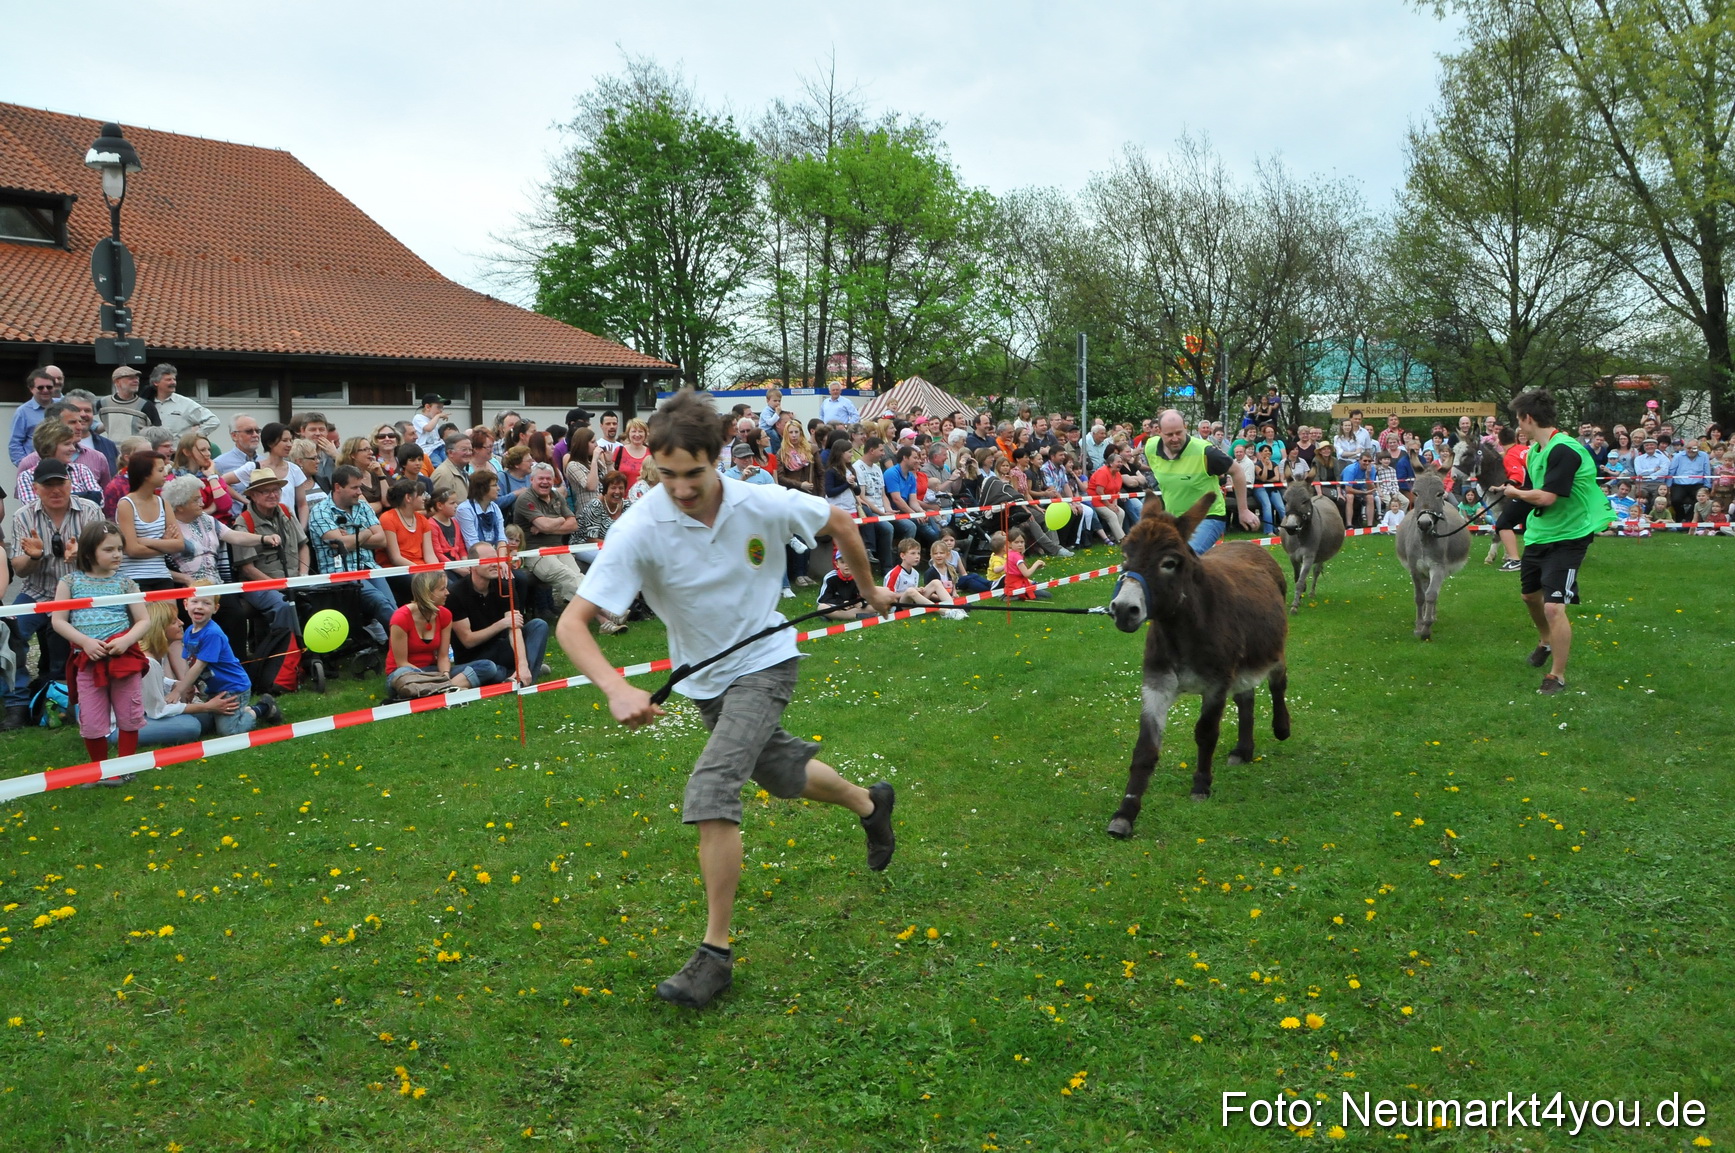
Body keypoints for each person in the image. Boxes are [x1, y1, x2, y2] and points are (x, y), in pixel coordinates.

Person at [553, 389, 897, 1010]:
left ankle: (714, 955)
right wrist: (616, 687)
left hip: (765, 662)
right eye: (667, 474)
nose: (681, 487)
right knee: (778, 769)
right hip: (704, 677)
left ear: (717, 459)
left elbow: (841, 523)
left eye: (694, 473)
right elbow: (572, 625)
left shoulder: (758, 499)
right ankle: (871, 805)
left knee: (712, 789)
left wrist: (870, 591)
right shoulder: (640, 527)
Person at [1495, 389, 1614, 696]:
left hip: (1570, 537)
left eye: (1518, 420)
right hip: (1540, 534)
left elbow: (1547, 496)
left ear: (1527, 418)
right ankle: (1545, 641)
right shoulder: (1536, 451)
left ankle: (1556, 676)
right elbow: (1533, 488)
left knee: (1553, 607)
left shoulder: (1565, 450)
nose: (1517, 427)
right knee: (1530, 598)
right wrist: (1506, 517)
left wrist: (1515, 494)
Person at [3, 460, 105, 730]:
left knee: (70, 642)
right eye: (48, 485)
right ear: (36, 488)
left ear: (71, 484)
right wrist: (34, 556)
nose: (55, 489)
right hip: (37, 593)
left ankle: (62, 698)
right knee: (9, 634)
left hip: (78, 593)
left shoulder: (90, 510)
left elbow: (105, 563)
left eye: (60, 483)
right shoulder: (23, 516)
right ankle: (17, 704)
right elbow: (20, 570)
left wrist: (79, 558)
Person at [51, 520, 151, 764]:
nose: (117, 554)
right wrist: (85, 642)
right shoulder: (70, 582)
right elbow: (58, 620)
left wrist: (126, 641)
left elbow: (143, 620)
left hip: (123, 659)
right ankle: (99, 769)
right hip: (87, 661)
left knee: (129, 714)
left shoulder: (126, 583)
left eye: (119, 548)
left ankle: (124, 767)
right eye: (109, 549)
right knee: (92, 719)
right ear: (88, 552)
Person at [229, 474, 308, 694]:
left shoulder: (285, 511)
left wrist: (302, 575)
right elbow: (247, 569)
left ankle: (315, 657)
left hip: (293, 577)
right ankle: (281, 667)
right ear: (253, 495)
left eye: (276, 490)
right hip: (258, 583)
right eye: (266, 491)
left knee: (322, 596)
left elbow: (304, 546)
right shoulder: (244, 522)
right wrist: (278, 584)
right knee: (283, 606)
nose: (273, 495)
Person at [127, 602, 241, 748]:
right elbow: (158, 710)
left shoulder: (156, 656)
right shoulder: (148, 662)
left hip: (147, 714)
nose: (181, 623)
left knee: (205, 719)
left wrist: (177, 685)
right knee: (192, 726)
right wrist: (206, 707)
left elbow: (157, 682)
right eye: (174, 622)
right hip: (128, 723)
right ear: (160, 628)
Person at [1143, 410, 1259, 552]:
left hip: (1209, 517)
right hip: (1175, 519)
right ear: (1159, 431)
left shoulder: (1205, 452)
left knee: (1186, 554)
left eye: (1179, 433)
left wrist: (1243, 510)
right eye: (1169, 435)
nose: (1175, 438)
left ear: (1185, 428)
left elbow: (1237, 471)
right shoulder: (1151, 447)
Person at [172, 584, 281, 733]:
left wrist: (178, 690)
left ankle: (263, 708)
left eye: (206, 603)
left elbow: (199, 665)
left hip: (233, 687)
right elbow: (190, 662)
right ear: (185, 604)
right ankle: (242, 711)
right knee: (212, 726)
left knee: (229, 731)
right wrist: (191, 686)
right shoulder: (189, 631)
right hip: (214, 688)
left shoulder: (212, 633)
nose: (200, 607)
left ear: (215, 608)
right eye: (195, 601)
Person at [306, 466, 396, 644]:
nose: (359, 492)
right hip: (342, 574)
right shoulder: (320, 511)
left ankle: (397, 645)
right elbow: (341, 545)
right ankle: (404, 646)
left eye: (360, 487)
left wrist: (351, 538)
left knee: (393, 607)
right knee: (381, 603)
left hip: (370, 568)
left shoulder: (362, 506)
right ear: (338, 487)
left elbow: (382, 540)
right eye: (355, 488)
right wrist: (364, 533)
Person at [448, 543, 547, 685]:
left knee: (538, 625)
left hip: (500, 647)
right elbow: (468, 641)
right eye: (488, 561)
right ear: (473, 564)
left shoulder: (505, 587)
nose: (495, 564)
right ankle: (527, 667)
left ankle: (522, 675)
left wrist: (523, 665)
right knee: (492, 669)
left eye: (496, 560)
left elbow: (514, 627)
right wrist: (501, 624)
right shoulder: (455, 593)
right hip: (474, 658)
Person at [512, 462, 583, 612]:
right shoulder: (526, 499)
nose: (545, 482)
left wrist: (547, 528)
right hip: (536, 552)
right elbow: (546, 525)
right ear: (532, 480)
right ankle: (609, 613)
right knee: (569, 577)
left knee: (578, 576)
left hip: (558, 549)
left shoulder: (556, 495)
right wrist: (560, 519)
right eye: (541, 478)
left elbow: (574, 524)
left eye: (548, 479)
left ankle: (604, 618)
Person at [115, 451, 182, 592]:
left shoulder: (163, 503)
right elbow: (132, 550)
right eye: (160, 470)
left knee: (169, 614)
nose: (165, 473)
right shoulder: (126, 504)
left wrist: (146, 541)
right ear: (145, 474)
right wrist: (164, 544)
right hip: (133, 577)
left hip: (162, 575)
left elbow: (179, 544)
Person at [15, 420, 103, 506]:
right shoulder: (27, 476)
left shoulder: (81, 470)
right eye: (67, 444)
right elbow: (32, 507)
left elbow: (100, 500)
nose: (73, 449)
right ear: (49, 447)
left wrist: (54, 500)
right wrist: (84, 496)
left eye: (73, 444)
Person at [149, 364, 219, 441]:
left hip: (178, 451)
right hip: (152, 451)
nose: (173, 383)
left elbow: (213, 421)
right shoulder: (147, 404)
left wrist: (194, 436)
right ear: (156, 382)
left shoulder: (185, 404)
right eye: (168, 380)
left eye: (174, 379)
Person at [9, 368, 60, 466]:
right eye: (40, 387)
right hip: (36, 467)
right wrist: (25, 466)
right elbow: (15, 444)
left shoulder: (62, 406)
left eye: (49, 387)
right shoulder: (22, 412)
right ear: (31, 389)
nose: (45, 390)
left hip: (63, 465)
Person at [817, 550, 873, 619]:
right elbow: (822, 599)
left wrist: (861, 603)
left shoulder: (860, 576)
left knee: (875, 605)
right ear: (837, 564)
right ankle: (855, 616)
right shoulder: (830, 578)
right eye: (842, 562)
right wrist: (841, 603)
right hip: (838, 607)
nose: (846, 565)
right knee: (822, 607)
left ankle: (837, 616)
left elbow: (868, 596)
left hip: (854, 607)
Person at [1667, 439, 1711, 524]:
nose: (1691, 450)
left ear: (1698, 448)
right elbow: (1671, 471)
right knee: (1675, 500)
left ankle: (1688, 519)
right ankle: (1680, 518)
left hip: (1697, 484)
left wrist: (1707, 487)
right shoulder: (1678, 456)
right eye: (1688, 448)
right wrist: (1668, 486)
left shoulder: (1704, 456)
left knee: (1700, 499)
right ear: (1685, 448)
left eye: (1693, 448)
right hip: (1679, 484)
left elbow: (1707, 471)